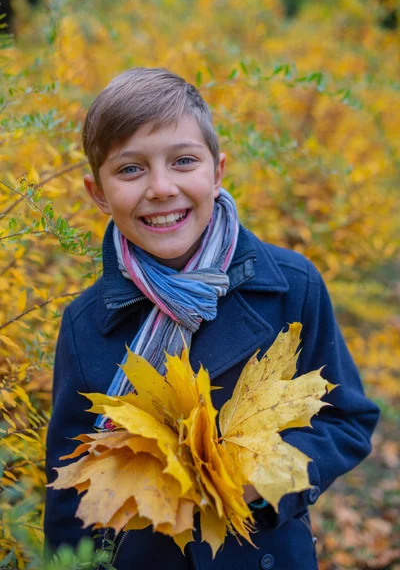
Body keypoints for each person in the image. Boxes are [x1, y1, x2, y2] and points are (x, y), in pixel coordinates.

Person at [44, 67, 380, 570]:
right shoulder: (86, 324)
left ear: (217, 171)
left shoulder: (291, 286)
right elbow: (72, 485)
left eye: (183, 161)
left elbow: (346, 418)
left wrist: (268, 480)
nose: (161, 188)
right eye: (131, 169)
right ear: (98, 193)